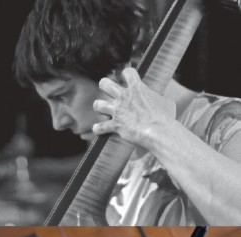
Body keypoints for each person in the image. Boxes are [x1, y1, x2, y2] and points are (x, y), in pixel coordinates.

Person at [14, 0, 241, 225]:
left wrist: (156, 130)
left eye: (62, 96)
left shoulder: (227, 123)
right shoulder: (109, 149)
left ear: (119, 70)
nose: (58, 122)